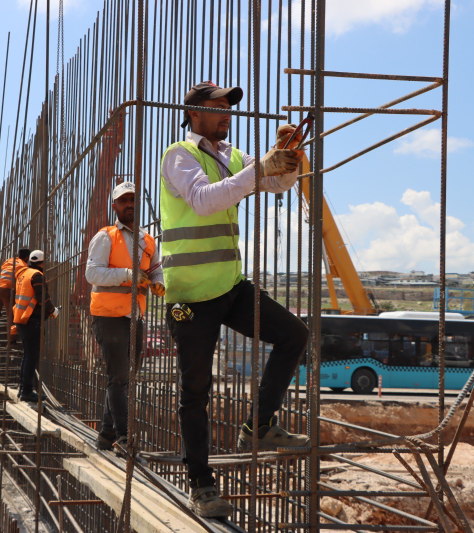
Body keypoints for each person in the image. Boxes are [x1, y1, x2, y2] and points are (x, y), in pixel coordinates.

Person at [160, 81, 310, 517]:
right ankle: (202, 485)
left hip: (229, 285)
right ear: (193, 113)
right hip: (189, 293)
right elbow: (205, 201)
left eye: (229, 107)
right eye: (218, 106)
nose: (227, 113)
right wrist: (258, 169)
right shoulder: (179, 155)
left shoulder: (232, 156)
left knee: (294, 334)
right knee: (196, 390)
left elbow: (277, 184)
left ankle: (258, 426)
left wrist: (290, 156)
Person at [85, 181, 165, 452]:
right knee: (119, 376)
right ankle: (124, 437)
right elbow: (92, 274)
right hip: (108, 315)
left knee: (126, 377)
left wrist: (157, 281)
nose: (129, 204)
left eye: (133, 200)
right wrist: (128, 275)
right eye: (124, 200)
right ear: (115, 206)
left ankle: (106, 435)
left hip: (135, 315)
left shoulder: (148, 240)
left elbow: (155, 269)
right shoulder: (106, 236)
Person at [12, 250, 59, 402]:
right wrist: (53, 310)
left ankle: (22, 388)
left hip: (21, 319)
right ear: (42, 262)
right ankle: (26, 391)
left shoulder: (23, 274)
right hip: (32, 320)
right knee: (32, 356)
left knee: (27, 355)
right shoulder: (37, 275)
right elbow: (42, 298)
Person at [0, 248, 32, 321]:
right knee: (11, 314)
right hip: (4, 289)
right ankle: (11, 331)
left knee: (5, 291)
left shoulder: (10, 260)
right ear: (27, 257)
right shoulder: (23, 266)